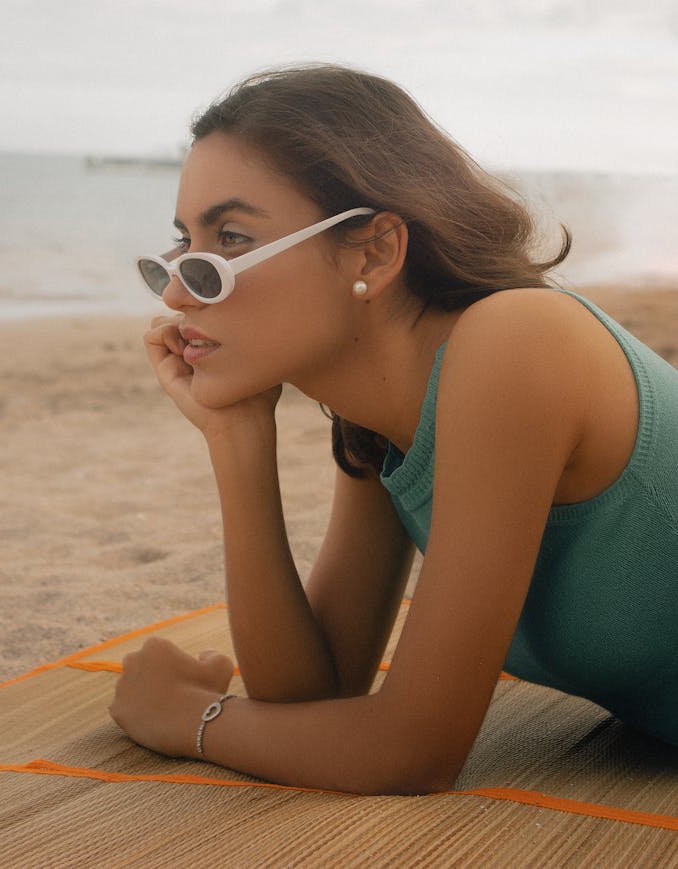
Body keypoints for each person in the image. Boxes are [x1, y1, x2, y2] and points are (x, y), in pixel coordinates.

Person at [109, 65, 678, 795]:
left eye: (230, 240)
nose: (183, 289)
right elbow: (317, 702)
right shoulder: (384, 417)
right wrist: (237, 441)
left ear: (373, 252)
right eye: (183, 246)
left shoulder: (516, 342)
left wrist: (191, 718)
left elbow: (412, 751)